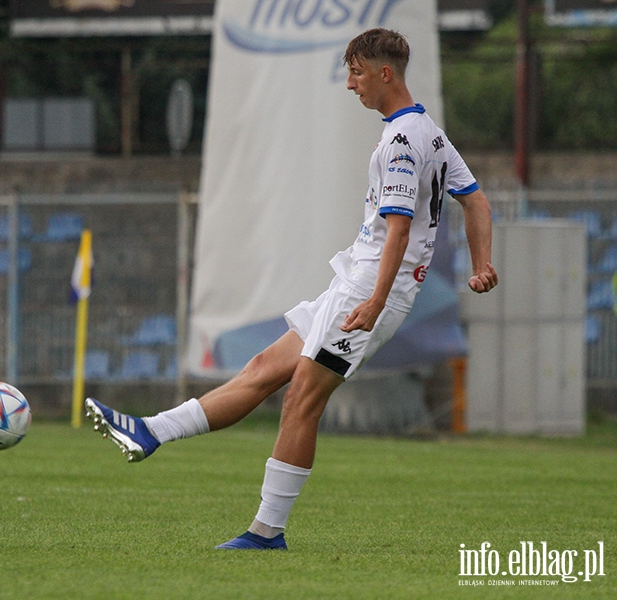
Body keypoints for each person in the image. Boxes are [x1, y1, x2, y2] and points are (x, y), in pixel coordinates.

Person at [85, 27, 499, 550]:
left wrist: (373, 302)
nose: (350, 84)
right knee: (262, 369)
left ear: (384, 73)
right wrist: (481, 265)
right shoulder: (429, 133)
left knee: (301, 400)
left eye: (356, 72)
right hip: (353, 286)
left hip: (368, 293)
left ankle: (266, 532)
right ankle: (151, 432)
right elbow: (477, 201)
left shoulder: (401, 140)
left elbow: (398, 230)